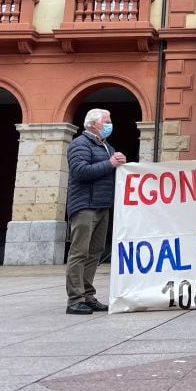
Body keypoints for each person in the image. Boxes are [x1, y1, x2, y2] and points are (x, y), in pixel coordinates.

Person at [65, 108, 126, 315]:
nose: (110, 124)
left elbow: (107, 171)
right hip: (84, 206)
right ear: (93, 124)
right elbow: (80, 171)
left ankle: (87, 295)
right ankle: (75, 299)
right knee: (79, 252)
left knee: (94, 253)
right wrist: (109, 164)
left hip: (102, 205)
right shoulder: (79, 144)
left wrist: (119, 165)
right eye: (106, 121)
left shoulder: (106, 146)